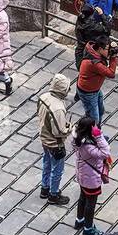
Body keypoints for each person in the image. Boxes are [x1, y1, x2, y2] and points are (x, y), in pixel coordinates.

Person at [72, 116, 112, 235]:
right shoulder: (88, 146)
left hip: (83, 175)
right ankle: (88, 228)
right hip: (91, 179)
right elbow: (105, 152)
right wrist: (99, 137)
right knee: (91, 203)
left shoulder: (77, 138)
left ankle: (80, 220)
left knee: (83, 197)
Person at [37, 73, 72, 205]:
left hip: (44, 138)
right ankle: (53, 194)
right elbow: (59, 131)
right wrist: (69, 128)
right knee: (57, 169)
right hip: (55, 143)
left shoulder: (43, 97)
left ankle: (44, 188)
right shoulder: (58, 108)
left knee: (46, 164)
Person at [76, 37, 118, 127]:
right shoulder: (94, 63)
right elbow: (111, 74)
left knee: (101, 111)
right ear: (99, 49)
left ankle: (97, 132)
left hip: (95, 89)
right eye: (107, 49)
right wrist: (113, 58)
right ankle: (92, 136)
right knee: (94, 119)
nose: (109, 51)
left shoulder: (92, 52)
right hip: (88, 92)